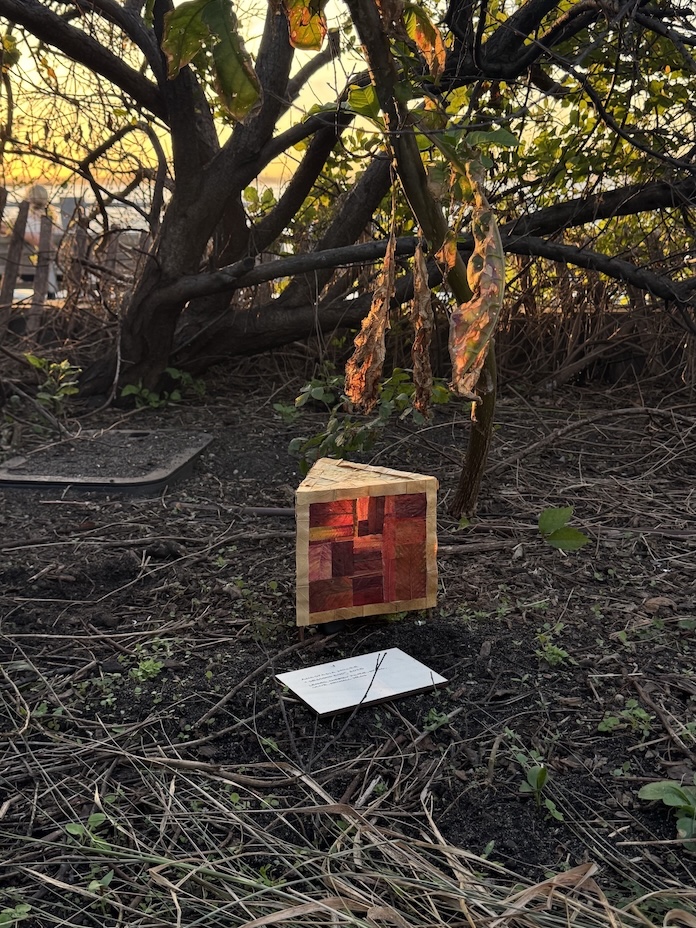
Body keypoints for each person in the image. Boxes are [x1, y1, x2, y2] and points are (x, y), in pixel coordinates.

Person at [21, 184, 60, 297]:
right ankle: (51, 295)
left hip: (22, 270)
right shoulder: (53, 223)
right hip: (56, 271)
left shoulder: (22, 223)